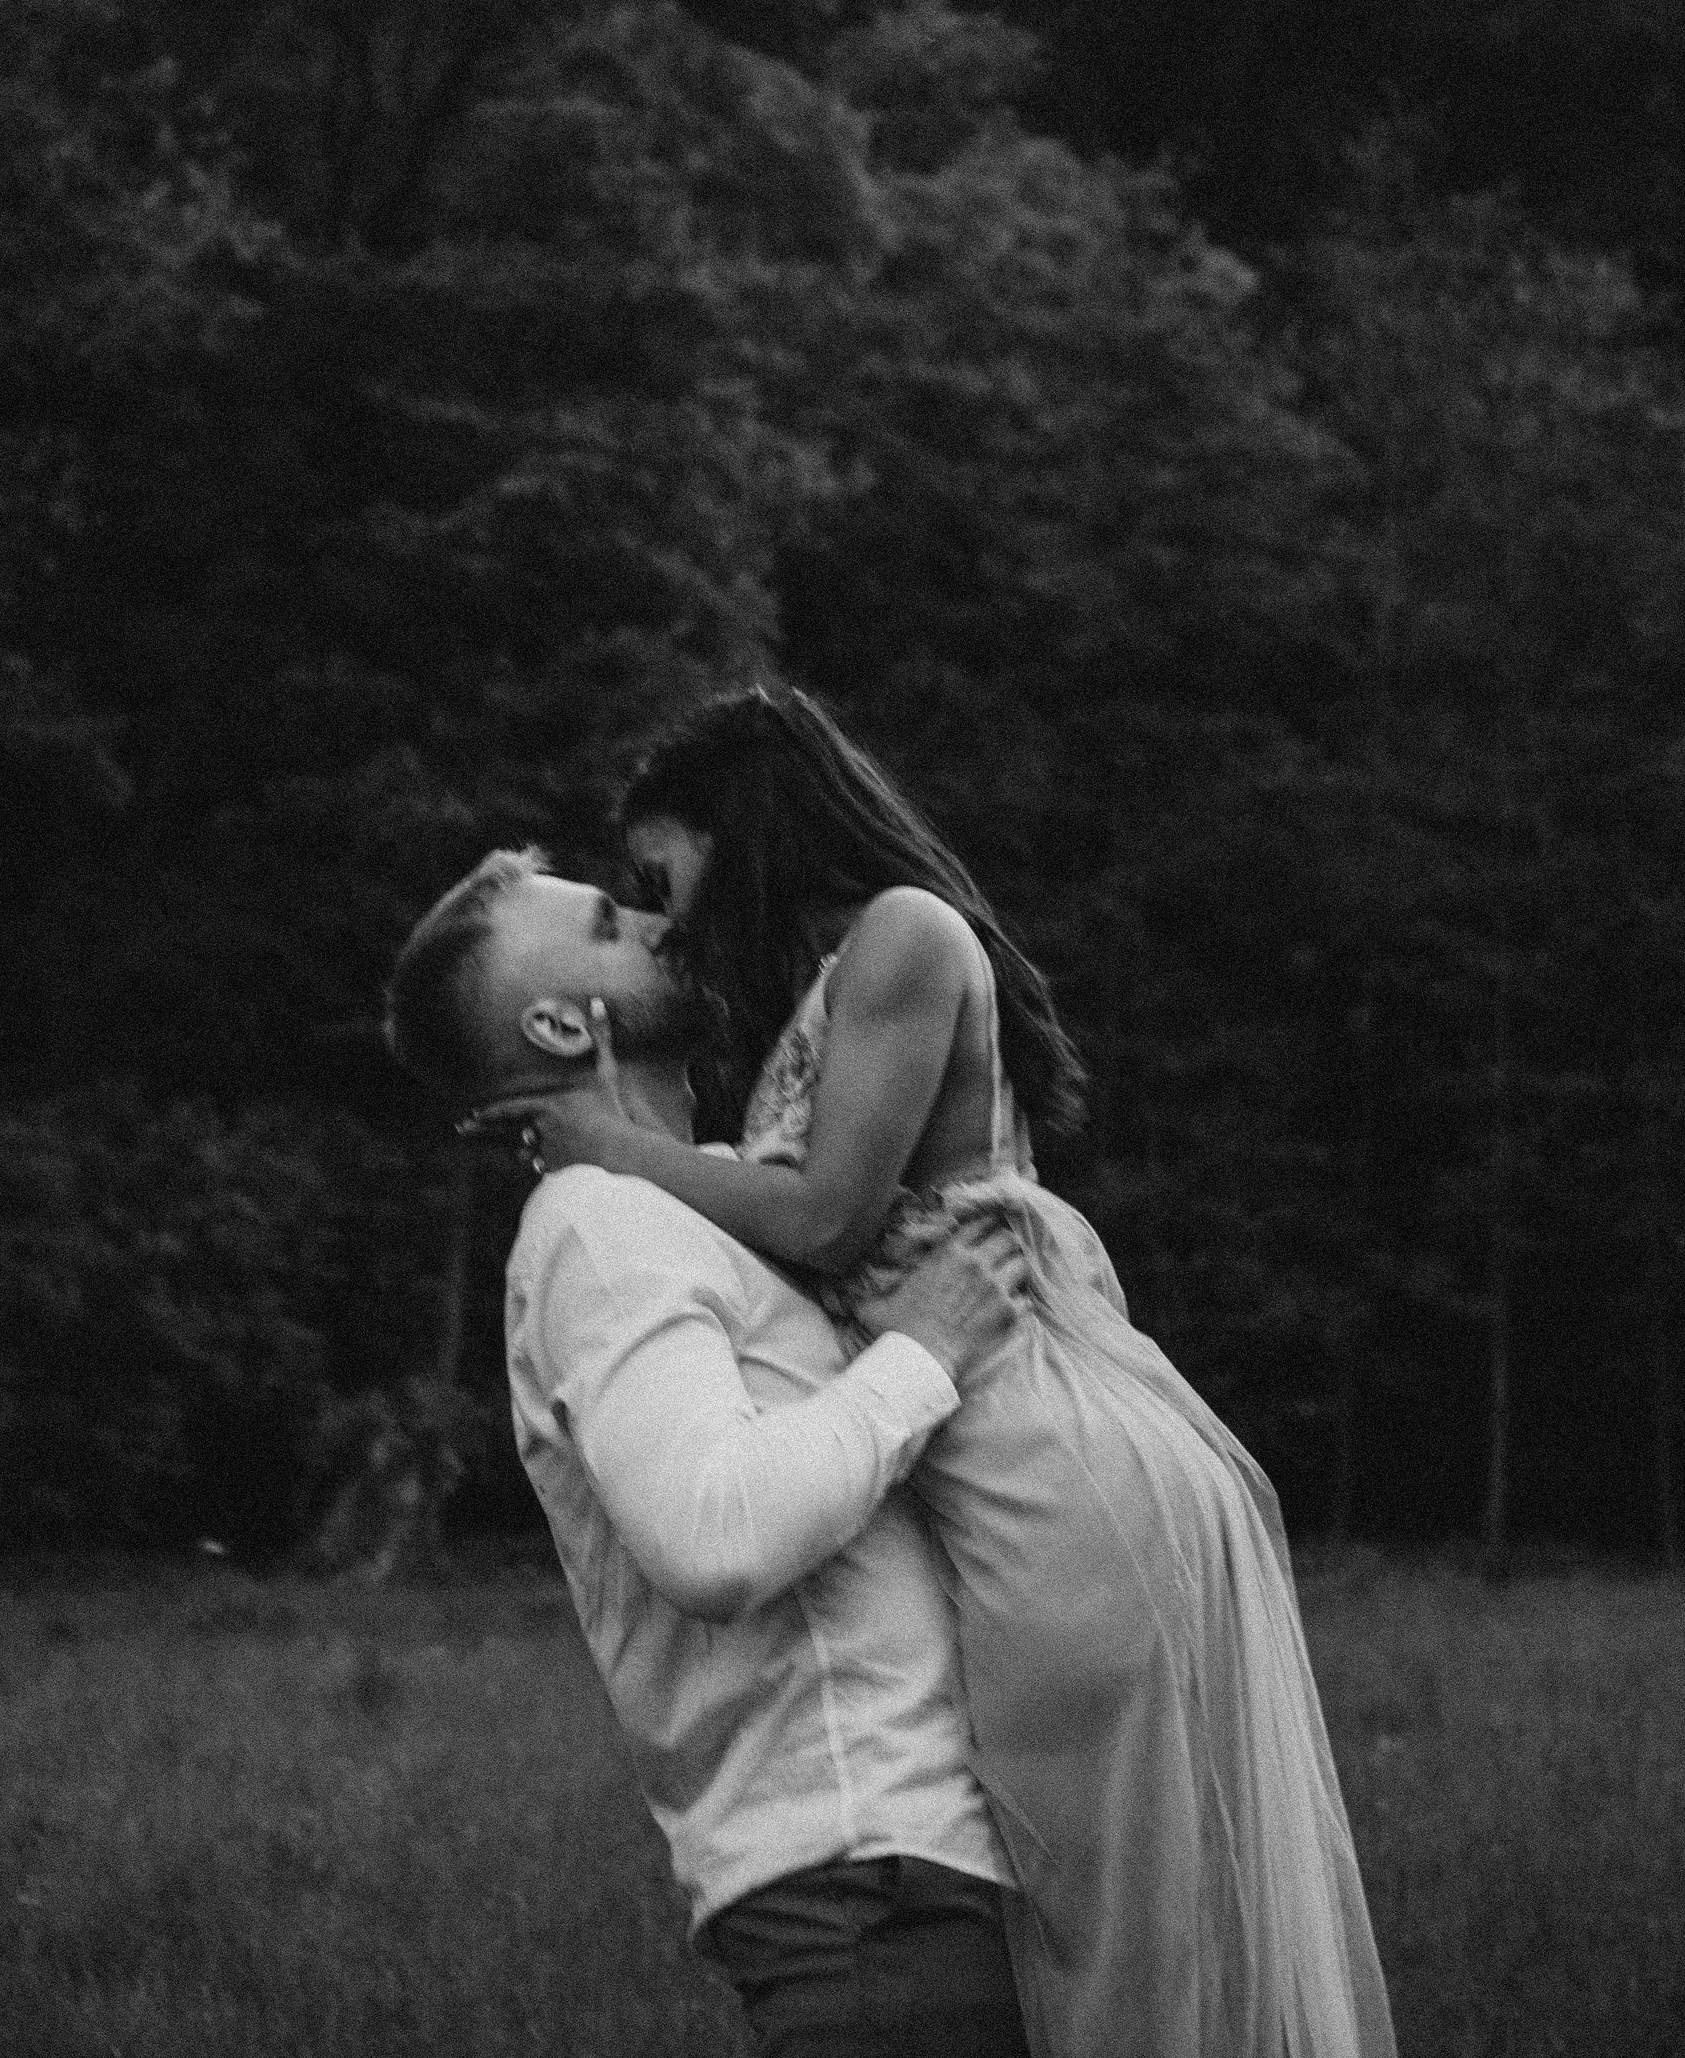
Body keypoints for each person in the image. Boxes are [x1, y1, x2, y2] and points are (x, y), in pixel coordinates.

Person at [482, 686, 1399, 2058]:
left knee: (1124, 1921)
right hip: (980, 1459)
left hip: (1043, 1459)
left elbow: (826, 1220)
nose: (668, 921)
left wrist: (611, 1147)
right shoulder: (828, 997)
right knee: (1082, 1922)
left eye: (661, 880)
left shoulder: (905, 936)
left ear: (743, 831)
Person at [385, 846, 1036, 2058]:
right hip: (867, 1891)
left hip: (925, 1876)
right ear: (560, 1025)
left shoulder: (709, 1204)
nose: (656, 921)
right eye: (609, 925)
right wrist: (924, 1353)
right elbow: (714, 1536)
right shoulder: (601, 1230)